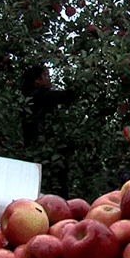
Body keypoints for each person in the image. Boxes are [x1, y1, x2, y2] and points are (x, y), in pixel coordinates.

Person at [21, 64, 78, 198]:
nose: (49, 79)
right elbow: (65, 96)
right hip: (47, 146)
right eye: (45, 76)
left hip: (33, 146)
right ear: (37, 81)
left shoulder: (26, 99)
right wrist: (80, 86)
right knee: (56, 183)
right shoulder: (40, 95)